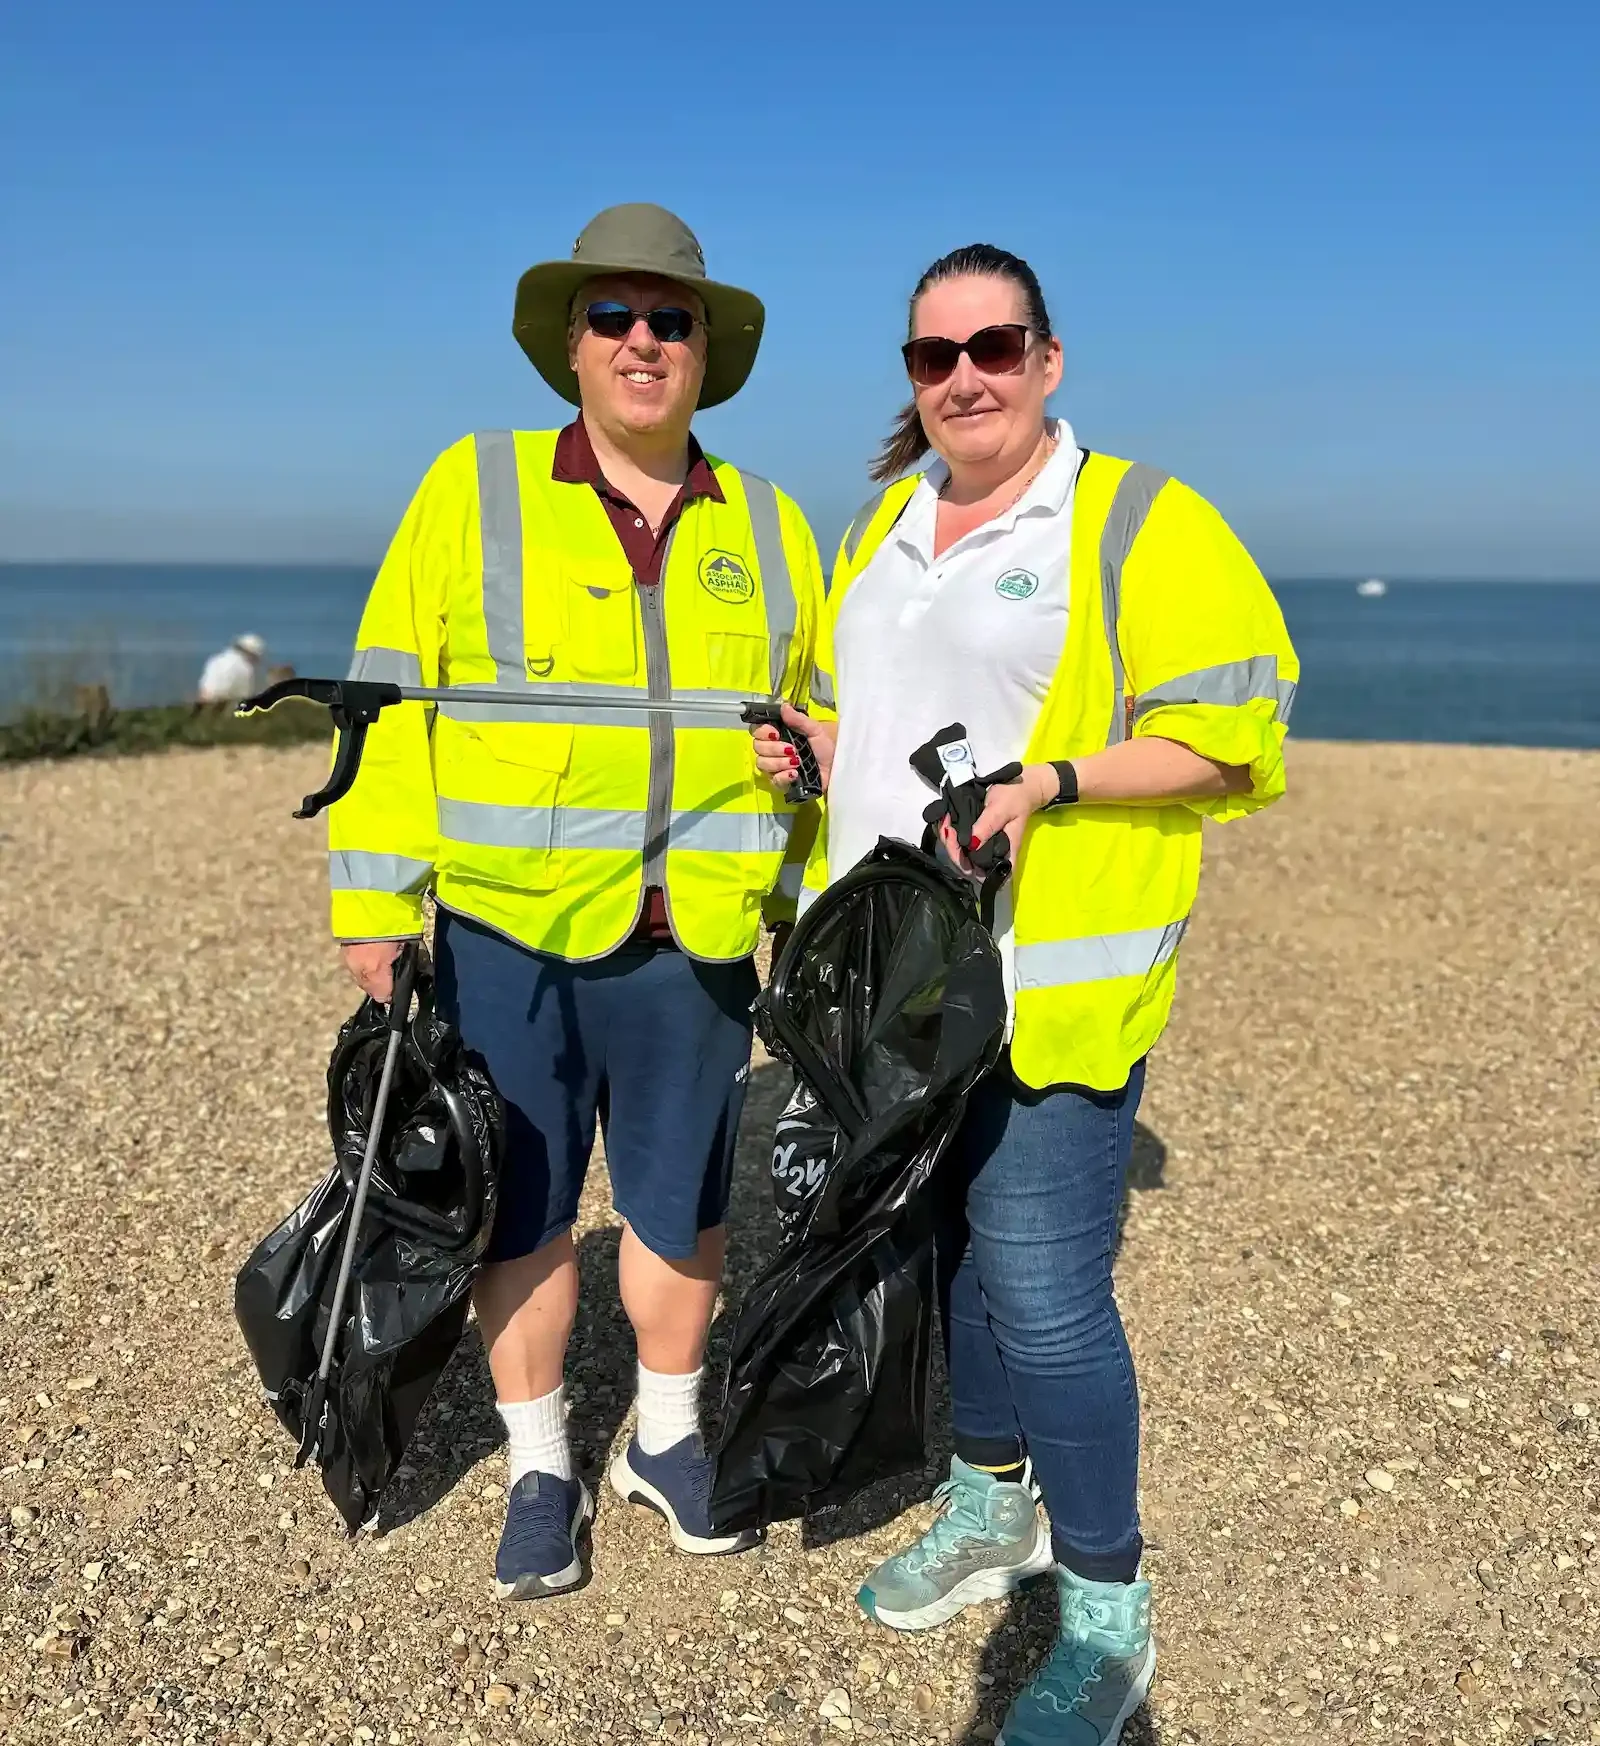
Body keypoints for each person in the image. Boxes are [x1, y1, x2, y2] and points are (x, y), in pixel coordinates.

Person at [754, 243, 1297, 1746]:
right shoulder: (881, 523)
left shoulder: (1137, 518)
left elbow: (1233, 734)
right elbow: (858, 703)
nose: (966, 377)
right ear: (913, 381)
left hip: (1048, 980)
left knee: (1049, 1296)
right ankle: (991, 1505)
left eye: (995, 346)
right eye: (935, 357)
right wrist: (807, 744)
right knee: (952, 1261)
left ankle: (1109, 1611)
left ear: (1049, 361)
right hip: (897, 988)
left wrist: (1049, 778)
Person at [328, 203, 827, 1600]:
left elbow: (815, 724)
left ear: (706, 349)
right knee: (526, 1213)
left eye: (669, 319)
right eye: (613, 316)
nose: (642, 340)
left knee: (682, 1213)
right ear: (571, 344)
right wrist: (372, 898)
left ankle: (664, 1442)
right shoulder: (470, 488)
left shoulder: (777, 524)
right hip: (514, 938)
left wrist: (805, 896)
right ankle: (542, 1460)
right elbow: (384, 699)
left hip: (703, 940)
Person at [196, 632, 266, 702]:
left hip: (206, 703)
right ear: (252, 654)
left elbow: (205, 690)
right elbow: (244, 696)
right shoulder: (246, 669)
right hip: (226, 706)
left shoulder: (216, 659)